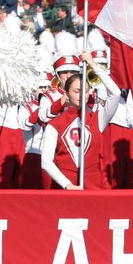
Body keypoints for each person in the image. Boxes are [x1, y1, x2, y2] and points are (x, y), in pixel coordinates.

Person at [41, 52, 121, 190]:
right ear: (66, 94)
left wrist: (93, 65)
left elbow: (116, 93)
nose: (82, 95)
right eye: (77, 91)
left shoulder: (97, 118)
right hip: (65, 188)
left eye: (85, 91)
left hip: (94, 187)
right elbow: (45, 162)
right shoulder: (54, 125)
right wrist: (68, 185)